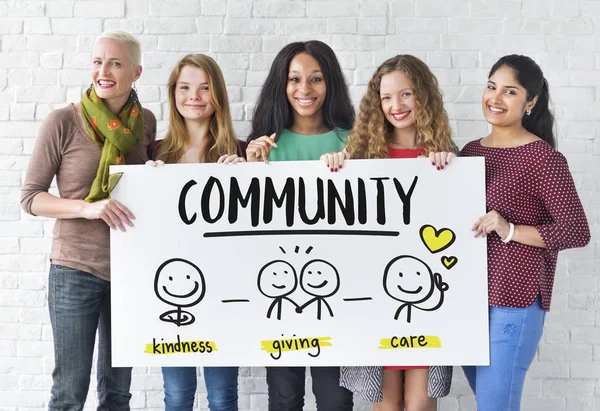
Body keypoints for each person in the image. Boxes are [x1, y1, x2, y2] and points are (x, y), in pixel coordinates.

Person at [20, 31, 156, 410]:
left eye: (115, 62)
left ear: (135, 72)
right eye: (98, 61)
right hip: (74, 270)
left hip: (130, 271)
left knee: (117, 393)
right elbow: (31, 198)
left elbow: (146, 190)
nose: (103, 70)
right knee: (69, 392)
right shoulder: (63, 121)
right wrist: (87, 207)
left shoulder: (145, 122)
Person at [322, 55, 454, 411]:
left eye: (406, 94)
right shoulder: (361, 158)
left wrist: (448, 173)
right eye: (386, 97)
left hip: (426, 302)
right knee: (386, 405)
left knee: (420, 405)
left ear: (423, 96)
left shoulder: (444, 158)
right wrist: (335, 165)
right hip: (375, 300)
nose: (396, 106)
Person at [459, 54, 590, 411]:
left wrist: (509, 228)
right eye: (491, 87)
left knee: (495, 406)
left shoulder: (543, 158)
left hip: (513, 301)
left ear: (530, 102)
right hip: (467, 301)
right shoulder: (469, 152)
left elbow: (576, 231)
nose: (495, 98)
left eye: (510, 92)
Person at [245, 40, 355, 411]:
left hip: (336, 297)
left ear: (330, 84)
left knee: (336, 400)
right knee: (285, 399)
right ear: (282, 84)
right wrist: (248, 169)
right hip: (278, 296)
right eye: (294, 79)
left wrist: (353, 163)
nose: (304, 89)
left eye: (316, 79)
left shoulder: (352, 141)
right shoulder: (264, 145)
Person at [146, 54, 245, 411]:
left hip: (224, 294)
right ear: (173, 94)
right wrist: (146, 184)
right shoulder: (155, 153)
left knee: (222, 396)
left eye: (205, 88)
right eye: (185, 87)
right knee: (177, 396)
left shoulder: (240, 152)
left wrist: (249, 174)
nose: (195, 96)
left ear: (218, 95)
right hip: (170, 294)